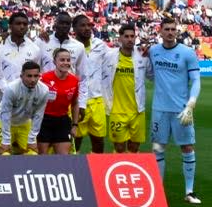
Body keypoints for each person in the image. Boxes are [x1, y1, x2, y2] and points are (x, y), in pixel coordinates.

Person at [148, 17, 202, 204]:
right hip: (159, 110)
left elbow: (195, 80)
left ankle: (189, 191)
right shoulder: (153, 51)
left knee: (187, 147)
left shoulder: (187, 53)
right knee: (158, 148)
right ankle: (158, 190)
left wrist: (191, 104)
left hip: (181, 111)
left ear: (177, 31)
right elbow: (148, 72)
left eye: (173, 29)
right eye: (167, 29)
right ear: (160, 31)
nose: (170, 32)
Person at [101, 24, 150, 154]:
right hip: (117, 110)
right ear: (120, 39)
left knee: (134, 148)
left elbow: (151, 75)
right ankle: (119, 172)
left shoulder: (142, 57)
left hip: (137, 110)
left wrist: (151, 56)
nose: (130, 39)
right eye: (126, 36)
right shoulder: (109, 56)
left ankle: (130, 172)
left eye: (132, 36)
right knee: (119, 148)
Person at [40, 12, 87, 120]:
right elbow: (35, 70)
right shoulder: (42, 42)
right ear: (55, 24)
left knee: (67, 134)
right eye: (61, 23)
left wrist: (82, 103)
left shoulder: (78, 46)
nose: (64, 26)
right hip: (45, 98)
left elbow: (83, 77)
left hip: (67, 98)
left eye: (67, 23)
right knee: (42, 135)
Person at [0, 61, 48, 155]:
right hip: (2, 120)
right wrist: (6, 141)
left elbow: (38, 115)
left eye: (36, 76)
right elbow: (6, 114)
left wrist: (32, 139)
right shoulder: (11, 89)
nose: (33, 79)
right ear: (21, 76)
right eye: (29, 76)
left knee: (33, 154)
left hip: (24, 122)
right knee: (4, 154)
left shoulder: (43, 90)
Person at [73, 15, 108, 153]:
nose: (87, 28)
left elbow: (115, 55)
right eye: (82, 25)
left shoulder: (100, 45)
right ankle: (73, 170)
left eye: (89, 25)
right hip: (78, 100)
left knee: (99, 140)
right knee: (76, 139)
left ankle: (97, 171)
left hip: (97, 100)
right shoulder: (71, 46)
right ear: (74, 28)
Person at [38, 49, 80, 155]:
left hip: (63, 121)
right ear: (54, 62)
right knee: (42, 157)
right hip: (44, 121)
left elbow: (75, 103)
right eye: (62, 60)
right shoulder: (43, 78)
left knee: (63, 158)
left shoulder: (74, 80)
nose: (65, 63)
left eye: (68, 60)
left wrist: (75, 125)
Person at [0, 11, 44, 97]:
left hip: (25, 98)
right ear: (10, 26)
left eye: (25, 24)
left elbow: (36, 74)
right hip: (1, 97)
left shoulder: (34, 49)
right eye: (18, 24)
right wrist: (7, 91)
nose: (22, 27)